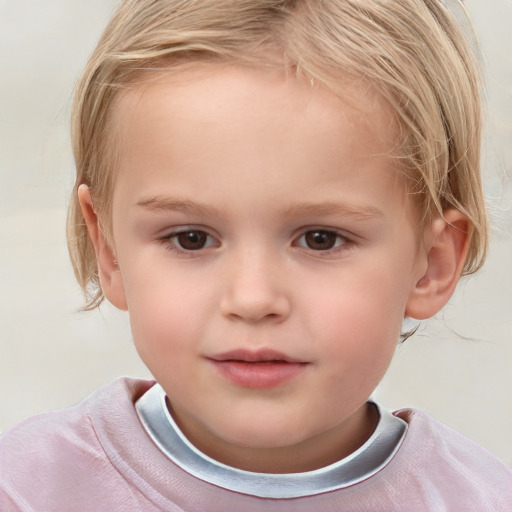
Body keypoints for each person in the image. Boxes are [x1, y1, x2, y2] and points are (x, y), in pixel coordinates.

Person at [1, 0, 511, 510]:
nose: (252, 298)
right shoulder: (27, 490)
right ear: (108, 250)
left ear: (433, 265)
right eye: (191, 238)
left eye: (320, 239)